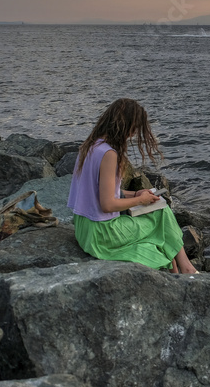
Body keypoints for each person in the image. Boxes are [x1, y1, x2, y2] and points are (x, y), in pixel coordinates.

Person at [67, 98, 198, 274]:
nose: (135, 133)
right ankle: (186, 267)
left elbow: (99, 192)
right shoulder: (109, 154)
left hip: (84, 228)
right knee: (162, 211)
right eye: (135, 127)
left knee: (159, 212)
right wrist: (142, 200)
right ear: (125, 125)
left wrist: (136, 194)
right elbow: (107, 205)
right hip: (102, 234)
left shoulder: (90, 146)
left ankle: (178, 267)